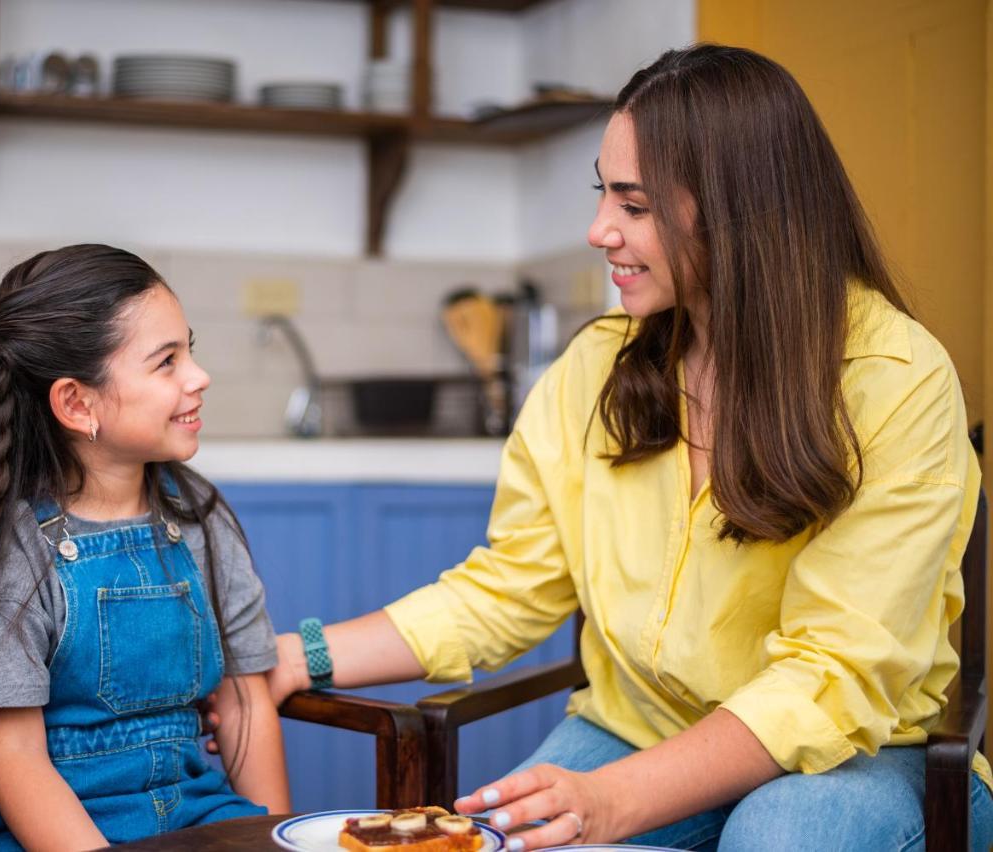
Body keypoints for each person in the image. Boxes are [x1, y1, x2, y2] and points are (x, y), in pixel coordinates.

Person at [264, 45, 993, 850]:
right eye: (602, 193)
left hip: (856, 759)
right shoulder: (597, 367)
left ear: (737, 208)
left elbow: (836, 677)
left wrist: (613, 801)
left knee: (779, 834)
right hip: (633, 732)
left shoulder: (895, 378)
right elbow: (509, 588)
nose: (598, 229)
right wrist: (305, 656)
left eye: (633, 204)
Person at [0, 244, 289, 850]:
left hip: (192, 817)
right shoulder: (21, 549)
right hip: (46, 832)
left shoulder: (202, 519)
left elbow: (243, 703)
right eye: (166, 362)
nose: (198, 376)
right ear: (78, 404)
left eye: (191, 349)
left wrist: (273, 839)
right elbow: (17, 756)